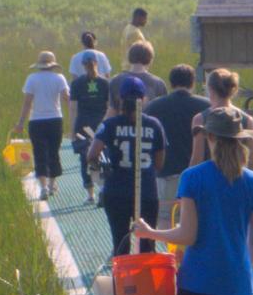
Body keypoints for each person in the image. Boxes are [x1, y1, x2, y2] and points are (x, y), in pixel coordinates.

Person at [133, 107, 253, 295]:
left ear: (210, 138)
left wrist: (149, 231)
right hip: (237, 284)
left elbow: (188, 235)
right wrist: (239, 269)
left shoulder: (193, 177)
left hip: (197, 281)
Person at [88, 77, 165, 257]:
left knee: (120, 244)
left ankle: (122, 284)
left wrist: (101, 168)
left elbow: (91, 155)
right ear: (144, 99)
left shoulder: (110, 124)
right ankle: (146, 283)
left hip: (116, 191)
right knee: (147, 245)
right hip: (146, 191)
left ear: (120, 99)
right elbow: (160, 163)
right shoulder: (154, 125)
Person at [144, 64, 211, 229]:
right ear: (193, 82)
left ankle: (169, 251)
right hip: (200, 174)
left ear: (171, 82)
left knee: (166, 218)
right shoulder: (206, 107)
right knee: (197, 217)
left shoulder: (153, 106)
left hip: (166, 174)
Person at [13, 51, 70, 200]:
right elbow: (66, 98)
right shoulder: (59, 78)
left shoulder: (32, 79)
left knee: (39, 154)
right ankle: (52, 184)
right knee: (54, 152)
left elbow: (27, 103)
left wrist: (20, 122)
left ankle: (43, 186)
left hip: (36, 120)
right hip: (55, 119)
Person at [190, 68, 253, 171]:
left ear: (210, 89)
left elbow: (197, 159)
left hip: (209, 180)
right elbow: (252, 161)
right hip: (239, 178)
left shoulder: (200, 119)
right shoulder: (248, 120)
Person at [69, 52, 110, 204]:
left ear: (83, 65)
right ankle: (103, 189)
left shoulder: (77, 84)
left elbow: (73, 109)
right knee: (103, 157)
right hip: (100, 125)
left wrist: (72, 129)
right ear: (96, 63)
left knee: (85, 159)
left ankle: (90, 194)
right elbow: (108, 107)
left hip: (83, 125)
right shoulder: (105, 83)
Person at [107, 41, 168, 117]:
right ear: (150, 59)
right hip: (150, 127)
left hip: (121, 126)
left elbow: (112, 111)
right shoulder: (158, 83)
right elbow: (163, 113)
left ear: (129, 57)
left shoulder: (116, 81)